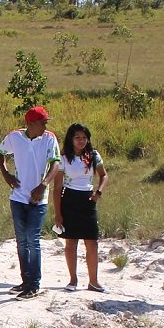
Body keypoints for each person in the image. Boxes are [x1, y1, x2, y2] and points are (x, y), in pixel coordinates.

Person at [0, 106, 61, 299]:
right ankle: (25, 280)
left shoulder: (49, 138)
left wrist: (43, 184)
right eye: (42, 123)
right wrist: (5, 174)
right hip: (18, 197)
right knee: (21, 240)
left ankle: (34, 284)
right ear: (31, 124)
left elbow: (55, 163)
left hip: (38, 199)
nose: (45, 126)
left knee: (33, 239)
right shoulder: (14, 137)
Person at [55, 122, 108, 293]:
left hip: (88, 199)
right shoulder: (63, 159)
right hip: (69, 199)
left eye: (84, 138)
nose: (81, 141)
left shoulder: (93, 156)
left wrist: (98, 192)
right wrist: (58, 213)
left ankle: (93, 281)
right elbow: (57, 188)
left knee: (92, 242)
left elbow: (104, 175)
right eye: (77, 137)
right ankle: (73, 279)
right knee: (71, 242)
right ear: (70, 139)